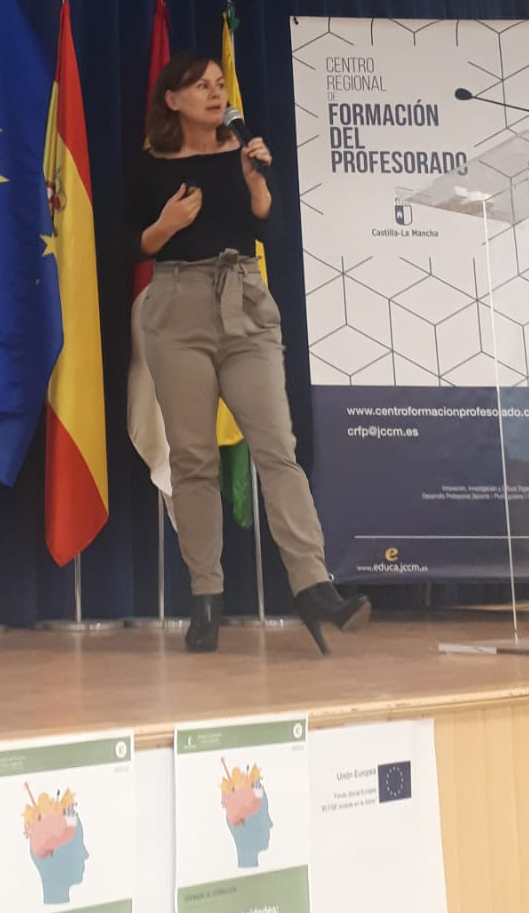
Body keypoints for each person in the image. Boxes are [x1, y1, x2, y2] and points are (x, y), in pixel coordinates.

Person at [125, 51, 369, 654]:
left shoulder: (244, 155)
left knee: (277, 449)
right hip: (177, 308)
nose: (216, 94)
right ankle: (205, 597)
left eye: (219, 84)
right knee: (193, 459)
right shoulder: (149, 166)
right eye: (200, 86)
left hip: (245, 302)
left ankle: (313, 585)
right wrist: (166, 224)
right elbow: (126, 246)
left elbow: (273, 232)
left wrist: (258, 183)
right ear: (172, 100)